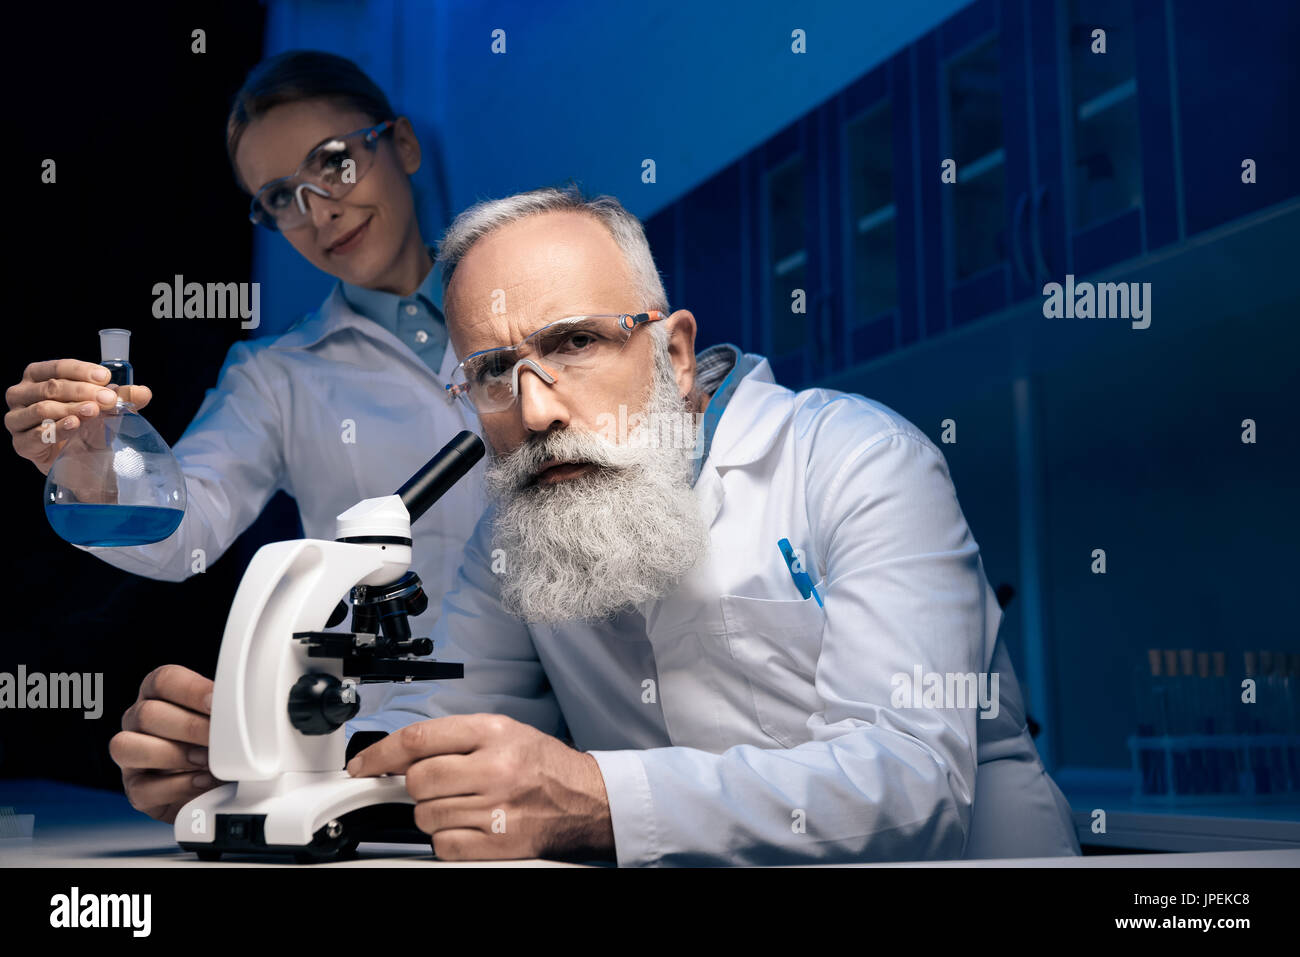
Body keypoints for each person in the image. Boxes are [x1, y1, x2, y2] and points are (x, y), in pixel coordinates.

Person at [110, 186, 1081, 865]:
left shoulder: (856, 461)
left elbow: (912, 786)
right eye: (492, 371)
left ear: (672, 348)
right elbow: (430, 736)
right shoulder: (514, 531)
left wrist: (595, 800)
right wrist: (264, 758)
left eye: (572, 344)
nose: (534, 411)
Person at [5, 51, 484, 819]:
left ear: (401, 144)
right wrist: (90, 462)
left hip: (574, 720)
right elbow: (184, 525)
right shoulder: (275, 375)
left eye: (334, 163)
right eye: (280, 198)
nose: (319, 209)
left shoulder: (531, 310)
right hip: (389, 743)